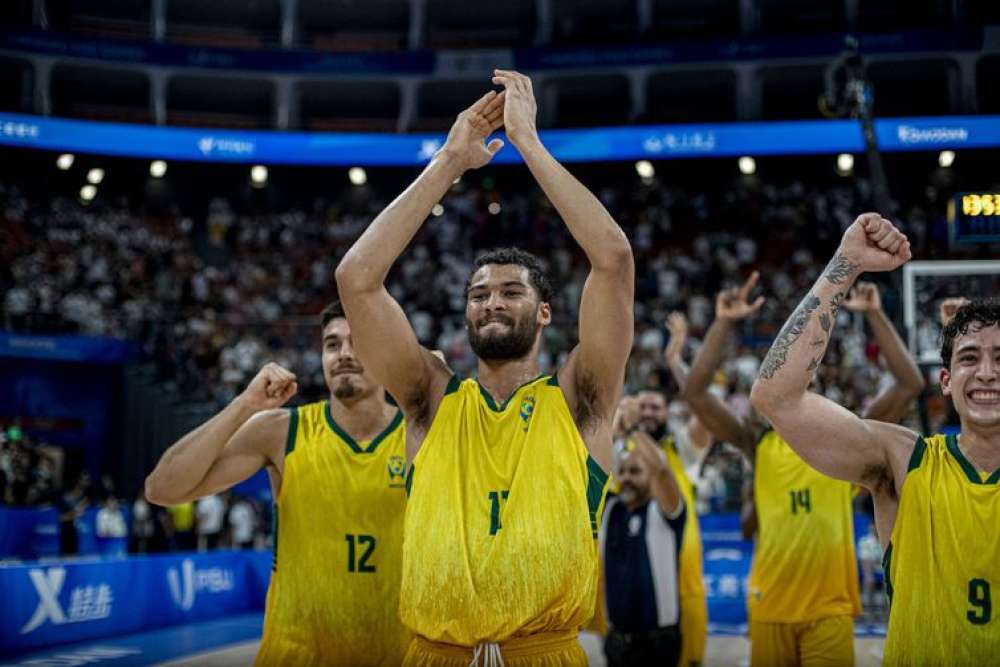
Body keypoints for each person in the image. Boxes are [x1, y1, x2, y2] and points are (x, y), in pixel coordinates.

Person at [336, 70, 633, 666]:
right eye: (478, 294)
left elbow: (613, 257)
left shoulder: (580, 396)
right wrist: (449, 160)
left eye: (510, 292)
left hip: (544, 652)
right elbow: (356, 280)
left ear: (547, 312)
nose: (492, 301)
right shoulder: (430, 396)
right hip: (434, 652)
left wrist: (528, 143)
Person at [750, 213, 1000, 665]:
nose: (986, 372)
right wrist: (845, 264)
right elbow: (776, 397)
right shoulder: (905, 461)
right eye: (969, 358)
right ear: (945, 380)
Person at [145, 302, 410, 665]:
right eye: (332, 344)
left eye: (358, 342)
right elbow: (162, 488)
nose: (344, 354)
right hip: (295, 654)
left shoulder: (419, 435)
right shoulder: (281, 430)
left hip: (395, 654)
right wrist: (244, 405)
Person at [684, 270, 924, 666]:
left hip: (829, 607)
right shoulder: (756, 442)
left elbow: (909, 384)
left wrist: (875, 315)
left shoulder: (848, 441)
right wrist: (724, 323)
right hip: (770, 603)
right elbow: (695, 392)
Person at [601, 404, 686, 667]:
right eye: (623, 472)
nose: (626, 478)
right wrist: (614, 432)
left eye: (635, 471)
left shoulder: (666, 509)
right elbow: (593, 466)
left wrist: (634, 430)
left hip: (658, 642)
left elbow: (661, 468)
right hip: (616, 639)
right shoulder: (611, 508)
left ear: (649, 477)